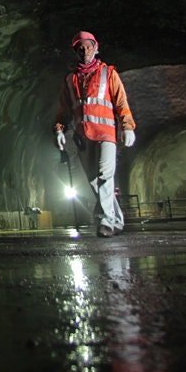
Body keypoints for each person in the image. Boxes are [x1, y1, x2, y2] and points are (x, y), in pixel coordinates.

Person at [55, 30, 136, 237]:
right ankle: (116, 220)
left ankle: (106, 221)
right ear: (76, 51)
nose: (85, 51)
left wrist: (127, 126)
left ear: (96, 48)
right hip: (83, 137)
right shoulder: (70, 80)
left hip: (106, 134)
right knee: (93, 180)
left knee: (104, 175)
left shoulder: (108, 73)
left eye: (88, 47)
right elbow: (63, 110)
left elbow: (120, 102)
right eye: (80, 48)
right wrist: (59, 129)